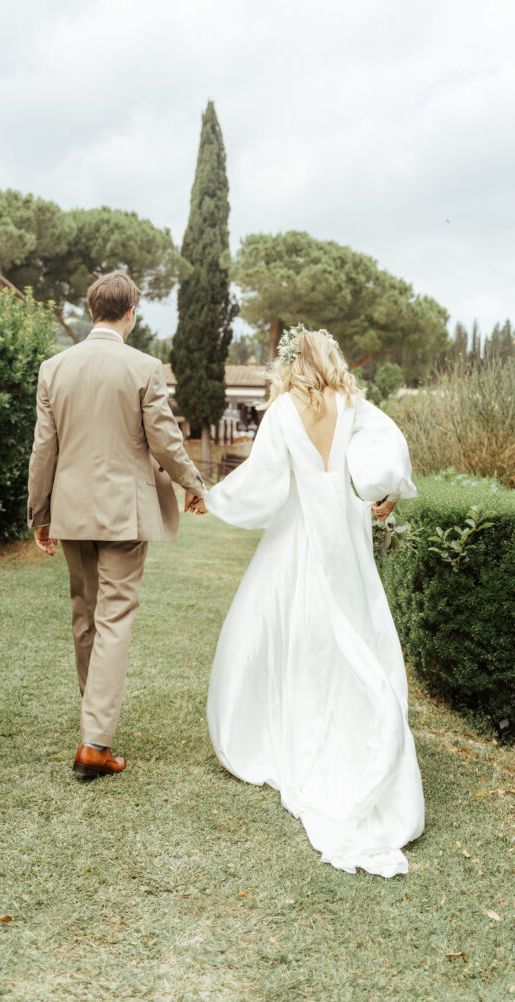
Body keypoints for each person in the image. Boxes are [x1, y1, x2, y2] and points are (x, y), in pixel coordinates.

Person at [193, 325, 425, 877]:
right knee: (350, 623)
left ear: (292, 363)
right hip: (344, 533)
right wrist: (386, 495)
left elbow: (262, 481)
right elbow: (389, 450)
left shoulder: (281, 412)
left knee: (285, 627)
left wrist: (214, 498)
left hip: (297, 533)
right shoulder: (352, 406)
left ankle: (288, 724)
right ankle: (350, 720)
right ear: (332, 360)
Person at [27, 270, 206, 779]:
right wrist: (193, 484)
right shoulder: (144, 367)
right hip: (125, 514)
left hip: (71, 511)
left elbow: (44, 448)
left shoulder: (54, 368)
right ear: (131, 312)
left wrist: (40, 513)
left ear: (91, 311)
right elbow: (165, 440)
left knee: (85, 615)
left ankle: (94, 724)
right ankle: (95, 742)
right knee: (113, 619)